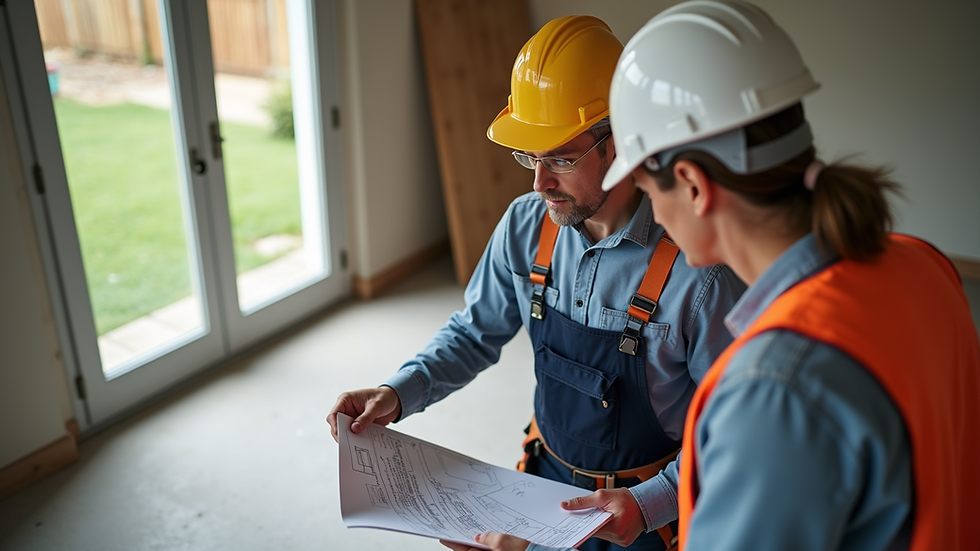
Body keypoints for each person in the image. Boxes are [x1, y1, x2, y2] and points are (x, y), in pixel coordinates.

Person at [445, 2, 980, 551]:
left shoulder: (766, 390)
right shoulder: (925, 265)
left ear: (693, 185)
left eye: (645, 186)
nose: (647, 212)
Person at [327, 14, 746, 551]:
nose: (539, 182)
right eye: (529, 156)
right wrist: (396, 393)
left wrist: (648, 503)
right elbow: (474, 331)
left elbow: (732, 432)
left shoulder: (699, 273)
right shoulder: (527, 225)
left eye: (561, 159)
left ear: (619, 141)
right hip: (544, 485)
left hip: (651, 517)